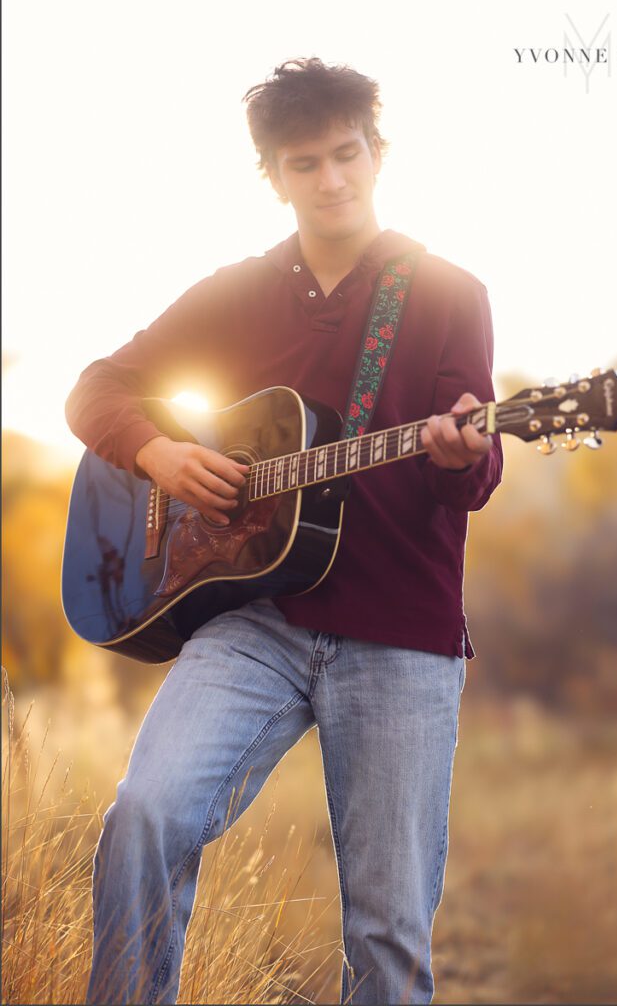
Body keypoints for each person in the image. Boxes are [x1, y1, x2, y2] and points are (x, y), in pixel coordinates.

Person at [65, 57, 503, 1006]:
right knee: (145, 816)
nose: (332, 180)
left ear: (377, 154)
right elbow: (96, 387)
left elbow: (474, 476)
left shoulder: (445, 291)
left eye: (347, 155)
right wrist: (158, 456)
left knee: (386, 928)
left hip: (400, 630)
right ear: (273, 176)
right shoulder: (240, 291)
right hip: (254, 615)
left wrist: (464, 454)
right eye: (305, 164)